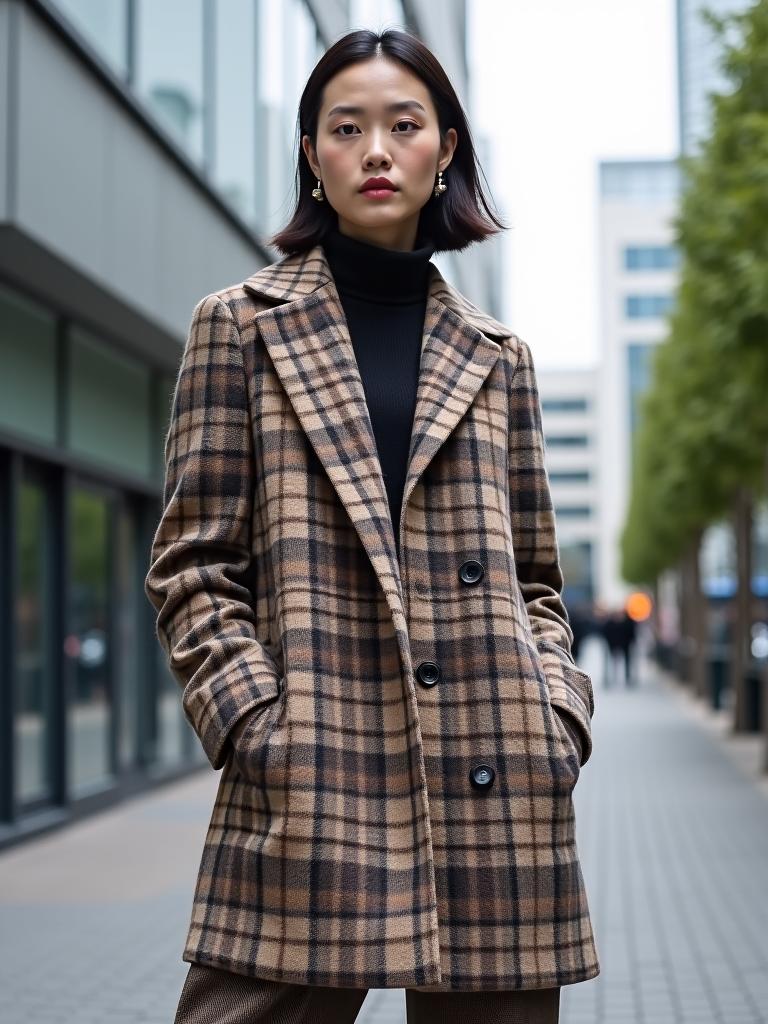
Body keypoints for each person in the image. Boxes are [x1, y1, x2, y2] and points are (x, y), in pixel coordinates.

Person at [145, 28, 599, 1024]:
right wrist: (260, 730)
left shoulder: (499, 356)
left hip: (497, 784)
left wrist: (557, 716)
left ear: (445, 148)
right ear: (313, 153)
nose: (377, 150)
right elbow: (193, 566)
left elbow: (536, 580)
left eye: (404, 124)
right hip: (314, 775)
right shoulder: (241, 326)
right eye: (347, 127)